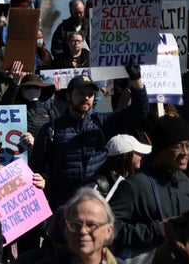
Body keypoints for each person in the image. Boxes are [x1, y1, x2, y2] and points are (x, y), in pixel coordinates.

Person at [31, 66, 148, 210]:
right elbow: (34, 170)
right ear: (68, 96)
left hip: (97, 206)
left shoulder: (101, 123)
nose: (86, 97)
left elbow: (139, 110)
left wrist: (136, 79)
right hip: (63, 208)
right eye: (80, 93)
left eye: (90, 94)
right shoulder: (51, 130)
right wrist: (42, 182)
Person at [109, 115, 189, 264]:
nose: (185, 152)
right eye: (177, 146)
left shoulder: (185, 182)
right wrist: (156, 230)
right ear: (160, 149)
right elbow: (108, 227)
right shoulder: (135, 185)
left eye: (188, 145)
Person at [88, 134, 152, 200]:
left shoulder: (131, 180)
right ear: (126, 156)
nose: (142, 156)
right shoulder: (99, 185)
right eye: (138, 152)